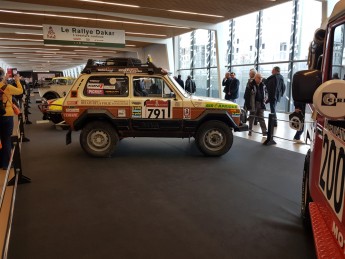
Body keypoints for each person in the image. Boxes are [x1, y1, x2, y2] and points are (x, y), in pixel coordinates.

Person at [0, 69, 23, 170]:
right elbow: (20, 91)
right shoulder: (7, 87)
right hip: (6, 115)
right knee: (6, 139)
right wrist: (17, 80)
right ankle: (6, 164)